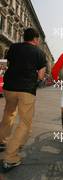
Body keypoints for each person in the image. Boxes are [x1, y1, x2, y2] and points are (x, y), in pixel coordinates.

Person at [0, 28, 47, 172]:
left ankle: (2, 140)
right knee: (25, 122)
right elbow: (40, 75)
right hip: (26, 89)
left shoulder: (13, 47)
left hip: (9, 87)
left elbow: (9, 64)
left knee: (9, 113)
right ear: (35, 39)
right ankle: (10, 156)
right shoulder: (39, 53)